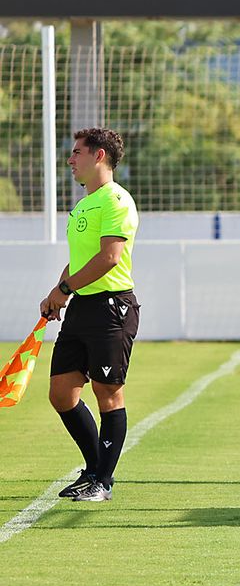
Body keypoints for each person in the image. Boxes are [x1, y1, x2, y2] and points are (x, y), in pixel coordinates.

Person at [43, 128, 141, 503]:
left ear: (99, 156)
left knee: (108, 395)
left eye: (76, 152)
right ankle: (94, 469)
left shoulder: (117, 200)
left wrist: (65, 289)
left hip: (111, 308)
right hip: (82, 307)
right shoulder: (84, 204)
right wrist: (58, 293)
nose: (70, 160)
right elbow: (81, 259)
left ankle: (102, 480)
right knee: (61, 394)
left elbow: (109, 258)